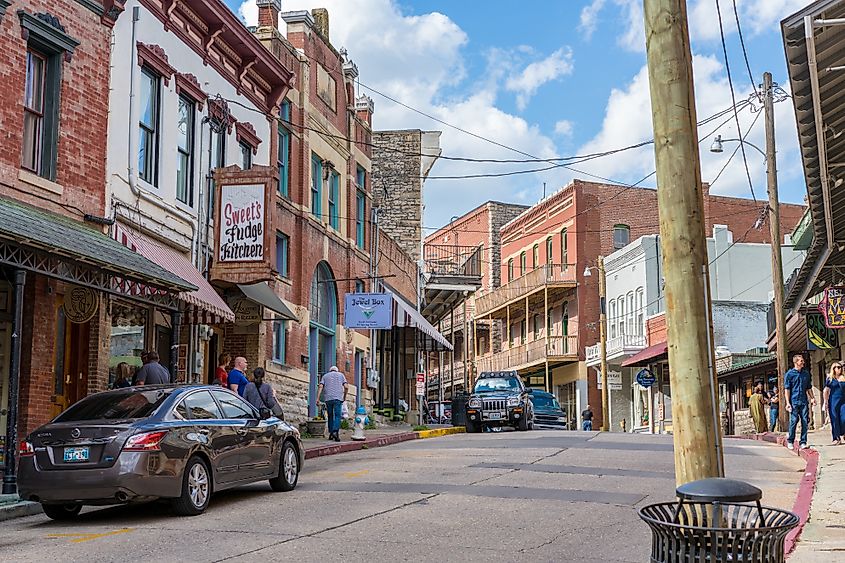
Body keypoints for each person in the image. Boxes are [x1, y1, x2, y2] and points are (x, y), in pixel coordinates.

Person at [784, 354, 815, 450]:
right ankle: (790, 441)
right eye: (801, 361)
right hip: (793, 401)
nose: (803, 362)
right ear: (796, 362)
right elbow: (787, 389)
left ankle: (803, 442)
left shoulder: (805, 374)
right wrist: (788, 402)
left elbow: (808, 387)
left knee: (805, 421)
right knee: (793, 421)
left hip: (803, 401)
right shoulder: (789, 374)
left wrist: (813, 398)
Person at [318, 366, 348, 442]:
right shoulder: (341, 375)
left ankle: (331, 433)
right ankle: (335, 432)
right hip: (338, 398)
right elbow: (346, 387)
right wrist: (344, 397)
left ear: (330, 370)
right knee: (337, 416)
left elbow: (320, 386)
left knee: (330, 415)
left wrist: (317, 398)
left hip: (328, 399)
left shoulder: (325, 376)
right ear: (336, 370)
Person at [822, 362, 845, 445]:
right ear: (833, 369)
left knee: (843, 418)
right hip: (833, 401)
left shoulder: (843, 377)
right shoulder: (830, 379)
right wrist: (825, 402)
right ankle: (836, 437)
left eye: (841, 367)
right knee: (834, 419)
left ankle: (843, 432)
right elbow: (826, 391)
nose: (840, 369)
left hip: (843, 401)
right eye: (838, 367)